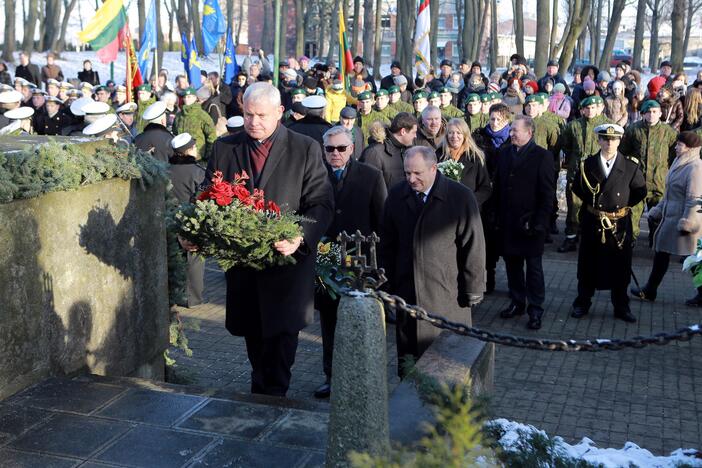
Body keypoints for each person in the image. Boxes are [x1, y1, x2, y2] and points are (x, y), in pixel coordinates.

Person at [202, 82, 333, 397]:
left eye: (261, 115)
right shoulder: (225, 148)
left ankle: (268, 408)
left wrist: (299, 235)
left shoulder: (305, 148)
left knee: (278, 357)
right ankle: (261, 402)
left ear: (279, 113)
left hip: (286, 271)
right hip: (245, 272)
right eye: (248, 114)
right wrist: (198, 234)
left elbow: (321, 202)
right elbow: (206, 198)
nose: (253, 122)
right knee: (257, 353)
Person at [379, 145, 485, 376]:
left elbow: (473, 246)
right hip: (408, 294)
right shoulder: (397, 195)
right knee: (411, 365)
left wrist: (474, 288)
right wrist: (387, 283)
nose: (411, 179)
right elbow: (387, 243)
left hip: (447, 295)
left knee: (448, 365)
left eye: (417, 173)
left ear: (434, 168)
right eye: (407, 173)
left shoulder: (459, 197)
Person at [313, 126, 387, 398]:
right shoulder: (316, 175)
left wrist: (379, 262)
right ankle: (332, 377)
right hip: (326, 260)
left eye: (341, 148)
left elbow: (381, 221)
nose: (335, 154)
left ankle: (361, 378)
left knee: (360, 320)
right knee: (329, 322)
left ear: (352, 148)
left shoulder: (371, 176)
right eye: (330, 149)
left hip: (360, 261)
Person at [571, 124, 646, 322]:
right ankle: (582, 302)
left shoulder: (630, 166)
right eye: (605, 138)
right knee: (587, 265)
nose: (609, 143)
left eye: (613, 139)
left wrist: (619, 207)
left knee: (620, 267)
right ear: (599, 140)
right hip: (593, 221)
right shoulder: (587, 164)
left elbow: (640, 191)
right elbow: (578, 188)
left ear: (620, 141)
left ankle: (621, 306)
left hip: (618, 224)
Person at [492, 115, 555, 329]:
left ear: (529, 132)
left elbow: (548, 194)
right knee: (512, 265)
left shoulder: (543, 156)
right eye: (511, 131)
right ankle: (517, 302)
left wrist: (540, 223)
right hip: (509, 223)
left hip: (531, 224)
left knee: (534, 269)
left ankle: (535, 309)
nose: (511, 134)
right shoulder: (504, 153)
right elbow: (499, 187)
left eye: (515, 131)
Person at [631, 132, 702, 306]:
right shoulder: (679, 163)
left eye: (680, 145)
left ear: (690, 148)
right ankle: (650, 289)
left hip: (685, 219)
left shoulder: (695, 168)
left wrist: (689, 222)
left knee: (692, 257)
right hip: (670, 217)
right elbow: (670, 194)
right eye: (677, 144)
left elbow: (695, 198)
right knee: (662, 253)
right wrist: (658, 210)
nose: (676, 147)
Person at [558, 95, 612, 253]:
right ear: (582, 109)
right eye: (587, 108)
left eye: (594, 107)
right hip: (577, 174)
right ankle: (571, 238)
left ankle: (596, 240)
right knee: (574, 208)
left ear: (600, 108)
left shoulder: (608, 126)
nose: (590, 111)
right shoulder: (573, 126)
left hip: (600, 175)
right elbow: (566, 145)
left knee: (598, 210)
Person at [619, 100, 677, 241]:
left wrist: (668, 172)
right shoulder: (633, 129)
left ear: (660, 113)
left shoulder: (668, 132)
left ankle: (655, 239)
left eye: (655, 112)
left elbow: (674, 155)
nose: (651, 115)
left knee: (658, 215)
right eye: (648, 112)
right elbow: (623, 152)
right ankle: (630, 241)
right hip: (637, 182)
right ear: (643, 113)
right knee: (632, 215)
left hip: (658, 183)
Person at [170, 133, 207, 308]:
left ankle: (174, 294)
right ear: (190, 149)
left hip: (169, 217)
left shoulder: (166, 169)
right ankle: (193, 298)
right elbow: (204, 196)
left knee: (173, 256)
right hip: (192, 218)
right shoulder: (198, 172)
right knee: (194, 258)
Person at [437, 118, 492, 207]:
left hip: (468, 209)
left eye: (458, 133)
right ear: (446, 135)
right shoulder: (438, 155)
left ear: (465, 135)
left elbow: (485, 188)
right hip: (444, 208)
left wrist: (470, 201)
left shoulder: (475, 157)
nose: (454, 136)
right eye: (451, 133)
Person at [361, 112, 418, 189]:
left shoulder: (409, 150)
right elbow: (367, 187)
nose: (415, 136)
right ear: (403, 131)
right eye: (414, 132)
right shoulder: (374, 153)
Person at [173, 87, 218, 160]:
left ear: (195, 98)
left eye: (189, 97)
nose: (186, 99)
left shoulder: (201, 115)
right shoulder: (179, 116)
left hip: (197, 155)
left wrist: (208, 154)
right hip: (181, 155)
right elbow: (175, 133)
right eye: (185, 97)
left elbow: (211, 135)